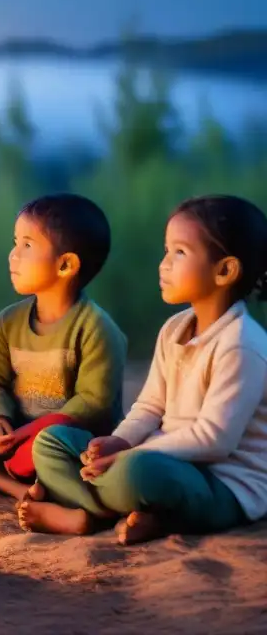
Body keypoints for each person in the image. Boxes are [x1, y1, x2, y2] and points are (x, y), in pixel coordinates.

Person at [19, 195, 267, 545]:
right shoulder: (175, 329)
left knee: (138, 473)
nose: (163, 264)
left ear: (225, 270)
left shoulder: (242, 345)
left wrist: (131, 455)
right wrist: (118, 442)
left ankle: (89, 511)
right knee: (50, 444)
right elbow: (150, 406)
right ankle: (127, 515)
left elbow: (215, 440)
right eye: (166, 251)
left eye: (179, 253)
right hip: (162, 459)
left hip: (222, 485)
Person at [0, 194, 127, 500]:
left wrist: (27, 435)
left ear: (65, 264)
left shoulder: (96, 327)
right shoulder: (10, 320)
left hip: (64, 440)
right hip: (14, 437)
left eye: (27, 245)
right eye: (15, 243)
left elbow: (92, 404)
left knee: (35, 450)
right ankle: (15, 487)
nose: (13, 255)